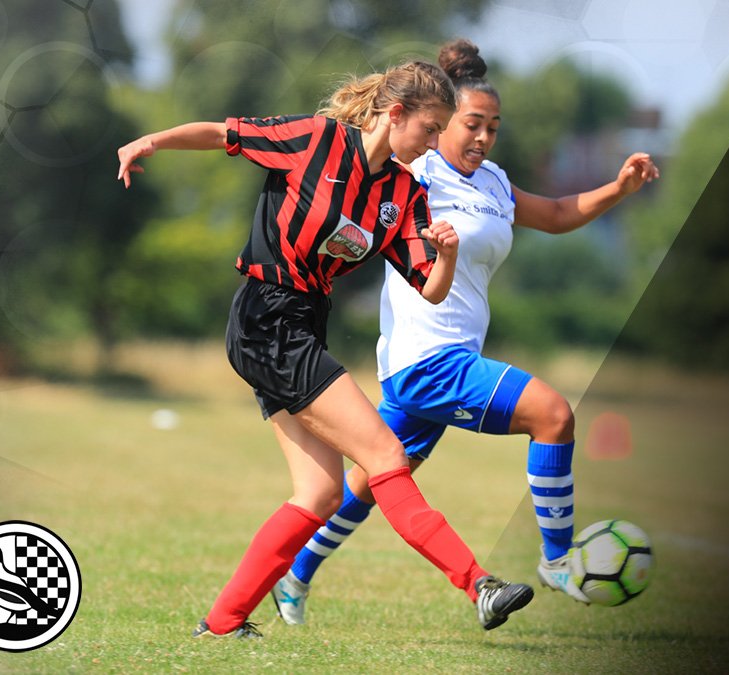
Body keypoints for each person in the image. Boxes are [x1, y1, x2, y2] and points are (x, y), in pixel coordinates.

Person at [115, 59, 534, 638]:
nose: (436, 142)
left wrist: (449, 254)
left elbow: (431, 290)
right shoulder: (315, 140)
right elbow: (223, 133)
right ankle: (478, 585)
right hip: (267, 317)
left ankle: (222, 622)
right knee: (386, 457)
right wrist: (150, 141)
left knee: (319, 493)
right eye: (431, 128)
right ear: (396, 114)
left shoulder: (404, 193)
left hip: (304, 326)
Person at [269, 39, 659, 625]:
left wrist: (619, 189)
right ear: (441, 123)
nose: (482, 138)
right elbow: (356, 164)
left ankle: (294, 575)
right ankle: (557, 562)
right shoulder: (413, 174)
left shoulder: (495, 183)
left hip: (438, 359)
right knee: (552, 415)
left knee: (377, 479)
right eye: (472, 125)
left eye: (493, 128)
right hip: (428, 359)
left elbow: (554, 216)